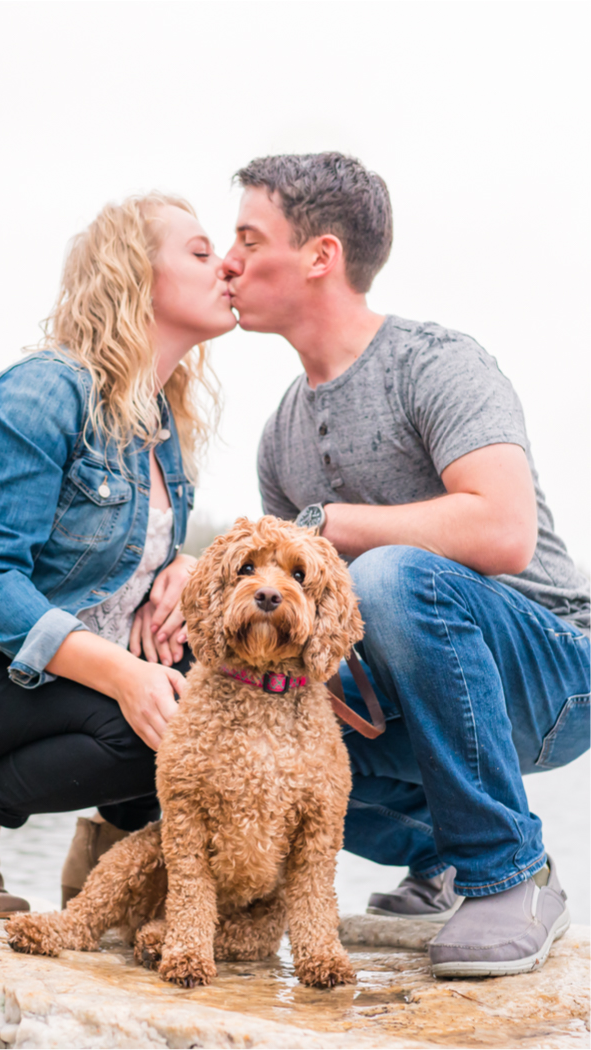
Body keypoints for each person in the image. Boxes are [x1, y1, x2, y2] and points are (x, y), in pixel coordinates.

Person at [224, 152, 590, 977]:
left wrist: (327, 524)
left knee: (394, 574)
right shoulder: (279, 435)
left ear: (320, 256)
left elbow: (504, 530)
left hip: (559, 673)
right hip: (402, 684)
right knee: (257, 724)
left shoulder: (436, 362)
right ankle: (446, 863)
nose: (229, 260)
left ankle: (511, 873)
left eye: (249, 237)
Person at [0, 194, 232, 917]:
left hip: (36, 678)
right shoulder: (46, 389)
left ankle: (108, 879)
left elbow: (116, 559)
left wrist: (181, 571)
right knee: (167, 720)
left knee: (218, 702)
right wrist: (127, 675)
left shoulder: (161, 424)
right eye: (198, 252)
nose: (225, 264)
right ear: (136, 273)